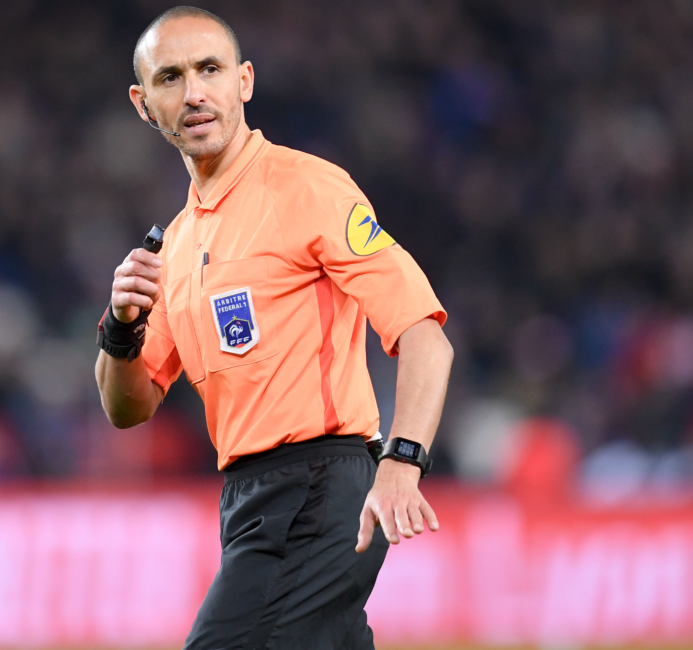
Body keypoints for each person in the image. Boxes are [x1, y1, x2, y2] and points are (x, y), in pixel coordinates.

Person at [94, 6, 453, 649]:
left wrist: (403, 462)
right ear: (144, 104)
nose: (194, 92)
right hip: (249, 502)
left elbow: (424, 334)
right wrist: (121, 328)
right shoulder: (174, 246)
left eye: (210, 69)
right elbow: (130, 407)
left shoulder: (308, 188)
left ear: (245, 82)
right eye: (171, 77)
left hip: (317, 489)